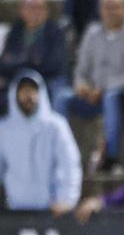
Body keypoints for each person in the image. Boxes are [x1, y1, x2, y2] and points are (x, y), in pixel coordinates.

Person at [60, 0, 124, 171]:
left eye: (115, 7)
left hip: (122, 95)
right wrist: (82, 86)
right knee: (62, 98)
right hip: (91, 94)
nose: (111, 12)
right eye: (107, 7)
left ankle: (111, 157)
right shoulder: (92, 33)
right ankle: (62, 152)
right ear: (100, 10)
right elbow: (81, 69)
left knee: (110, 97)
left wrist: (102, 89)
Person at [0, 72, 81, 213]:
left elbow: (70, 164)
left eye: (32, 90)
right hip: (15, 210)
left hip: (51, 210)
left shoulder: (56, 125)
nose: (28, 96)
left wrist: (66, 200)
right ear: (15, 94)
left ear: (40, 93)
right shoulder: (4, 128)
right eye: (23, 91)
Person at [0, 0, 70, 114]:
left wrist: (19, 65)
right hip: (18, 79)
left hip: (48, 80)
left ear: (46, 12)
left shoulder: (55, 33)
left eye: (39, 8)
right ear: (22, 11)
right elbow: (5, 62)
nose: (34, 12)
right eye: (30, 7)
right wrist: (28, 62)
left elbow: (51, 64)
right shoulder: (14, 32)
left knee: (59, 95)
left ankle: (54, 131)